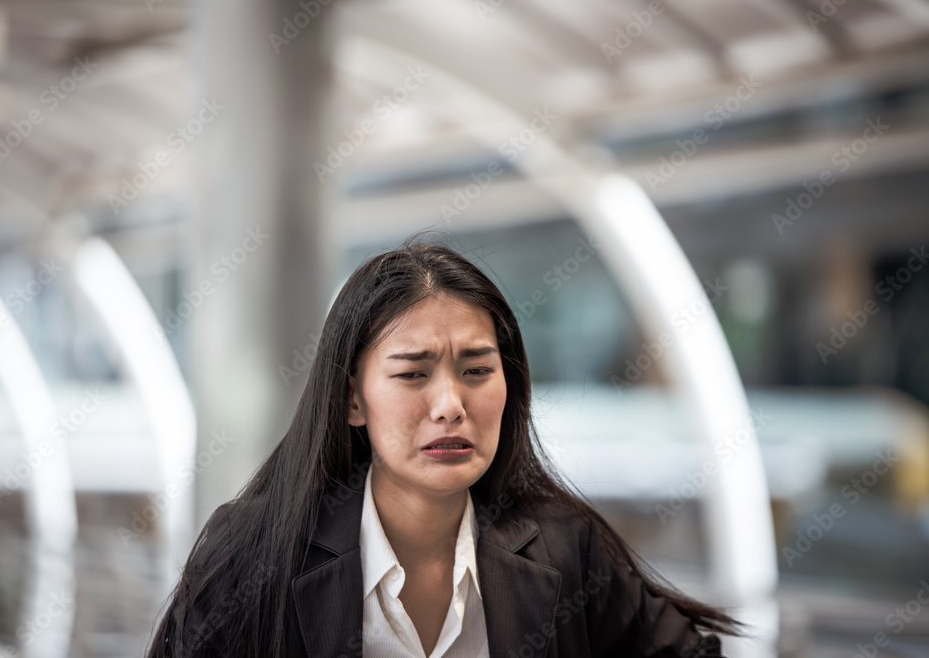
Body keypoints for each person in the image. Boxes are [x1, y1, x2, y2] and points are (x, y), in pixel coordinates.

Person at [146, 237, 743, 657]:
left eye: (477, 371)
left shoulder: (564, 549)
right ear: (352, 399)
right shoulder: (255, 551)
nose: (451, 404)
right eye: (412, 374)